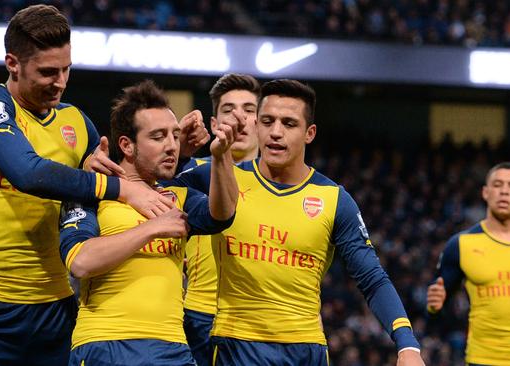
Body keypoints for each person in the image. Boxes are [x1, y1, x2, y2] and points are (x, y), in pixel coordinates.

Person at [0, 5, 177, 365]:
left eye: (67, 69)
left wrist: (181, 150)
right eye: (48, 72)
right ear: (12, 64)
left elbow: (124, 178)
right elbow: (30, 173)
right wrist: (118, 188)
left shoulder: (76, 123)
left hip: (56, 308)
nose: (61, 81)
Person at [171, 79, 424, 365]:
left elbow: (372, 279)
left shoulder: (334, 199)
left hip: (306, 351)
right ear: (256, 125)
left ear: (309, 133)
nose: (276, 132)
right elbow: (152, 188)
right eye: (268, 121)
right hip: (235, 346)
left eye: (289, 124)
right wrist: (180, 151)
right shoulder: (219, 177)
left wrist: (407, 345)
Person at [58, 79, 240, 366]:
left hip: (173, 349)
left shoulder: (178, 196)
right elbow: (80, 262)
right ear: (127, 146)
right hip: (106, 344)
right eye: (158, 137)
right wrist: (151, 228)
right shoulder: (92, 192)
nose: (172, 146)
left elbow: (223, 215)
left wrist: (220, 155)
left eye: (175, 135)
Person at [177, 73, 260, 366]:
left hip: (257, 322)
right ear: (214, 125)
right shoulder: (188, 173)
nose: (239, 118)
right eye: (228, 110)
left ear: (261, 122)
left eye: (249, 110)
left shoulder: (287, 184)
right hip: (198, 317)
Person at [426, 162, 510, 366]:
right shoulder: (461, 244)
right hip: (482, 360)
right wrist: (434, 307)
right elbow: (435, 310)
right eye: (498, 185)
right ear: (485, 192)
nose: (504, 191)